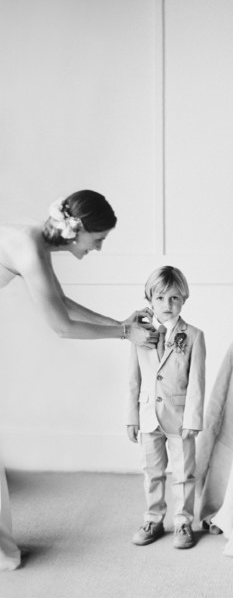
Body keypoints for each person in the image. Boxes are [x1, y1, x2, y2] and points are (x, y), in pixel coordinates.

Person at [0, 190, 158, 571]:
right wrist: (125, 336)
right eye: (98, 240)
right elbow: (62, 327)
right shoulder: (27, 244)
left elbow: (61, 301)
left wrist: (121, 324)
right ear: (78, 230)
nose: (99, 249)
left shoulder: (33, 238)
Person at [126, 266, 205, 550]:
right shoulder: (139, 334)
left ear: (183, 299)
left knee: (184, 472)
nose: (167, 305)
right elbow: (134, 379)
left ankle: (183, 521)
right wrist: (131, 416)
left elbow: (196, 381)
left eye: (174, 298)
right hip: (148, 416)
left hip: (180, 417)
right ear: (150, 299)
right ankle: (153, 519)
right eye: (160, 298)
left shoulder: (194, 336)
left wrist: (194, 419)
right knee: (152, 471)